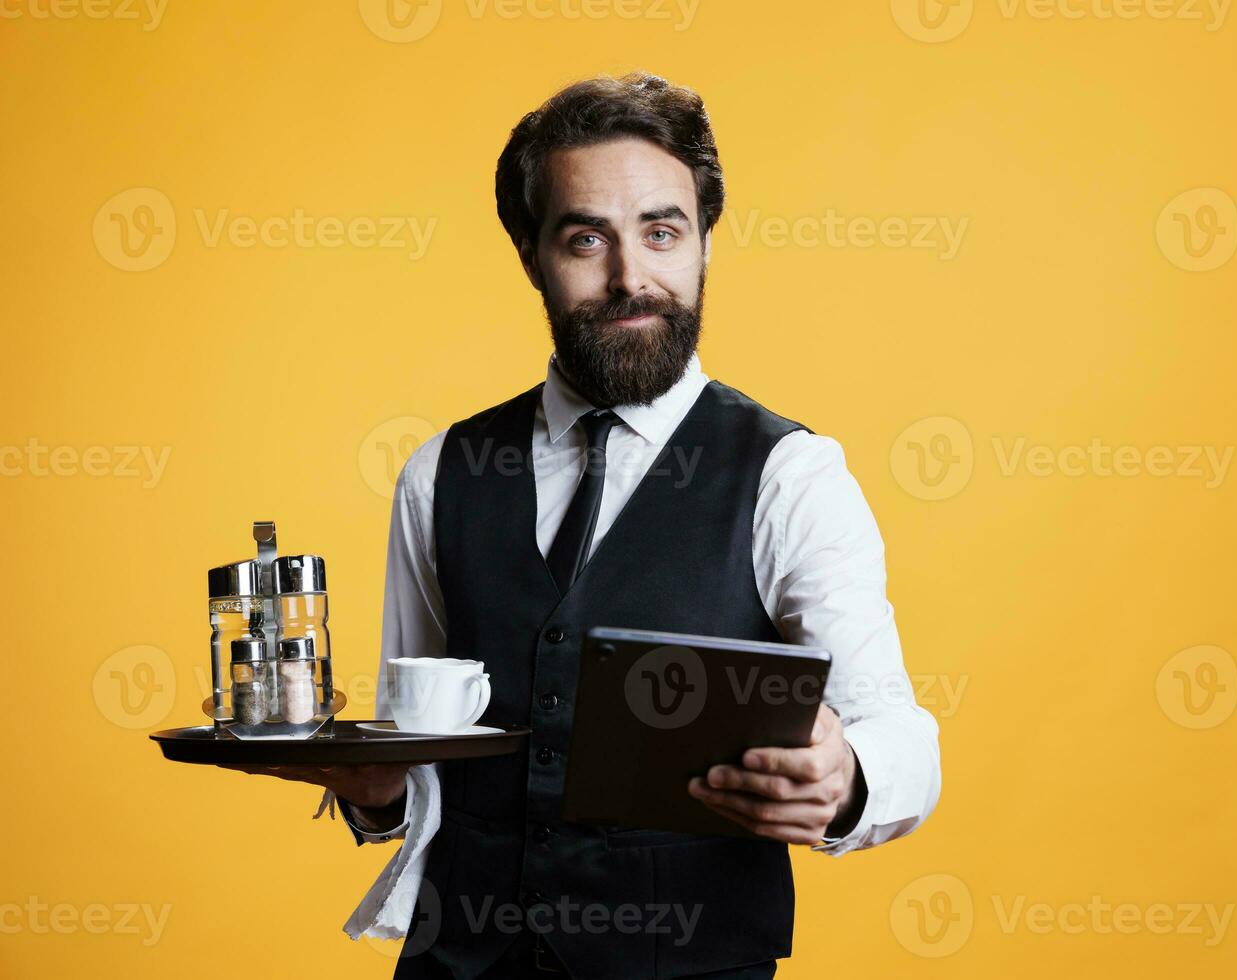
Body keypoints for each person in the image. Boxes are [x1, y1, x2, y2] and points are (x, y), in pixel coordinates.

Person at [229, 72, 941, 979]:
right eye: (584, 239)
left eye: (662, 231)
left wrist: (848, 782)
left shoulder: (790, 475)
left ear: (705, 244)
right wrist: (377, 799)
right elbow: (420, 759)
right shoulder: (440, 472)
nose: (630, 277)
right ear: (530, 256)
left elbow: (898, 729)